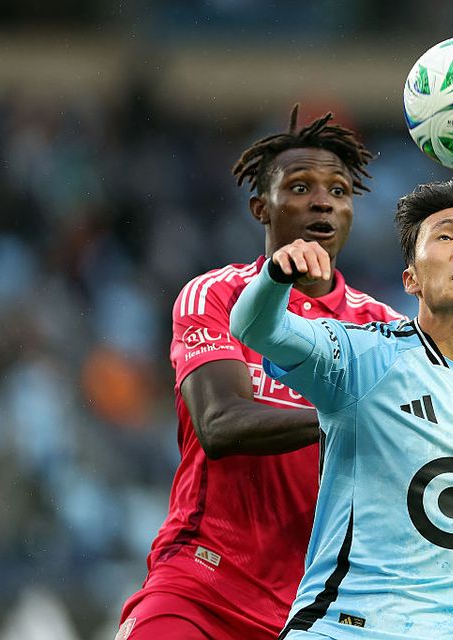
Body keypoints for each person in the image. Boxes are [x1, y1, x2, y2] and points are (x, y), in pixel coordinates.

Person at [230, 171, 453, 640]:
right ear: (411, 279)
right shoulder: (365, 360)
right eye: (445, 237)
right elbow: (255, 329)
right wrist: (276, 277)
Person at [116, 105, 403, 640]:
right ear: (260, 208)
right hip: (202, 585)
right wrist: (347, 416)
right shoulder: (216, 295)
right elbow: (221, 425)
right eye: (299, 187)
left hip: (319, 611)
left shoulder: (384, 331)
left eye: (339, 191)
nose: (323, 200)